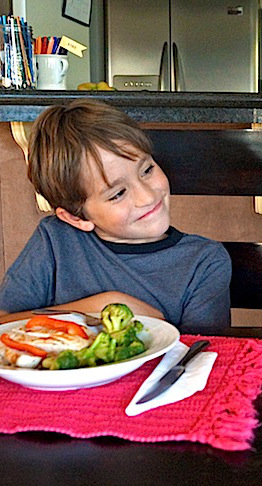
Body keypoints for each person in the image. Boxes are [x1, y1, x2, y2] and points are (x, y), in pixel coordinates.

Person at [0, 99, 232, 334]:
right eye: (118, 194)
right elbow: (4, 322)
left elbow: (204, 355)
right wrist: (97, 307)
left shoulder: (203, 261)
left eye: (147, 170)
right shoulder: (55, 240)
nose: (147, 196)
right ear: (75, 218)